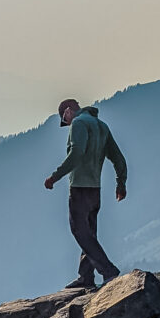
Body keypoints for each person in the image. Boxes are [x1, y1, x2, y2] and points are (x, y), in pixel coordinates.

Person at [44, 99, 127, 290]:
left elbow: (77, 153)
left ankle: (108, 270)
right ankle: (86, 277)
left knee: (79, 231)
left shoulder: (79, 124)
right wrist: (121, 183)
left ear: (67, 111)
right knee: (89, 232)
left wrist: (54, 177)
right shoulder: (101, 126)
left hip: (80, 187)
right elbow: (118, 158)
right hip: (95, 189)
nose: (67, 124)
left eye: (65, 121)